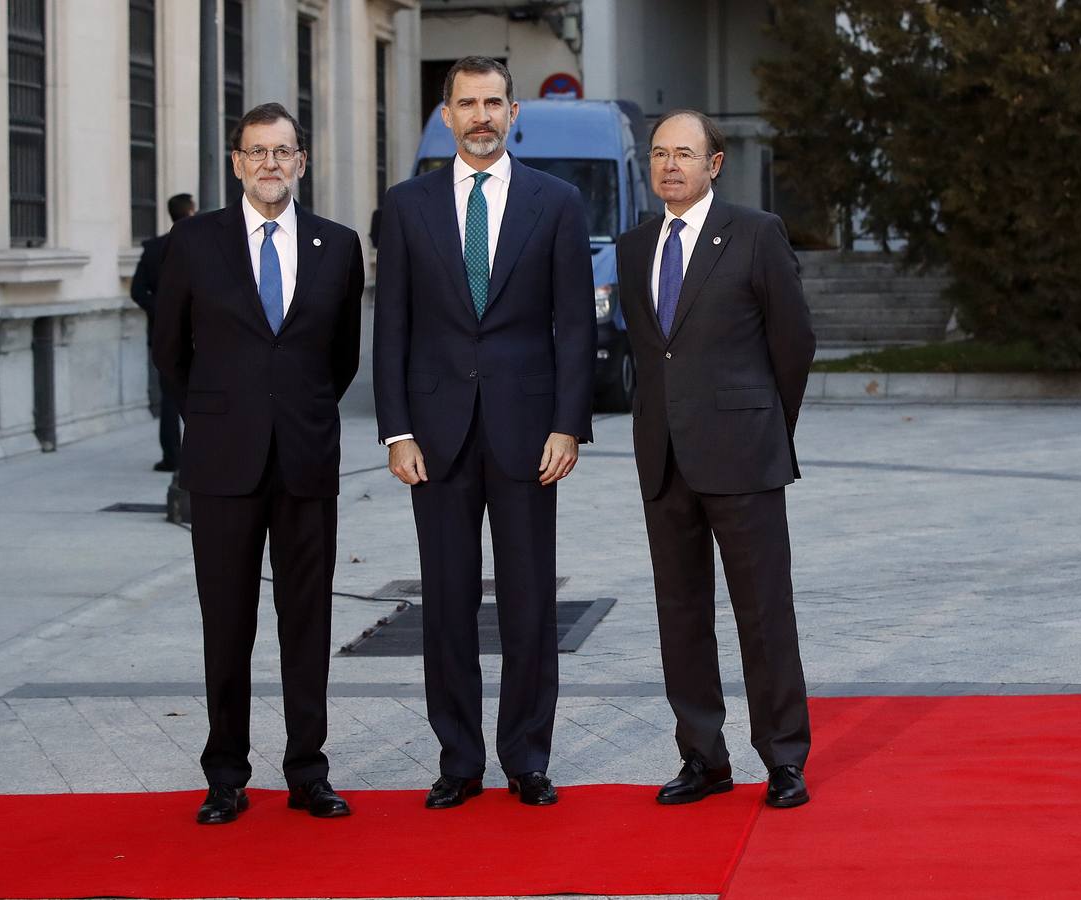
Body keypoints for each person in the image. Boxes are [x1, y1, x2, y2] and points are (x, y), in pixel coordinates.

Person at [372, 57, 595, 809]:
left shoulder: (556, 202)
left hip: (531, 433)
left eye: (494, 102)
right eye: (467, 103)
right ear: (445, 115)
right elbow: (391, 325)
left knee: (530, 602)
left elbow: (573, 326)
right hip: (435, 436)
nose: (481, 116)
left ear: (515, 111)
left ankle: (527, 756)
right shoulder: (405, 207)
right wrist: (396, 431)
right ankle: (459, 760)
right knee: (446, 600)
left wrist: (569, 423)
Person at [152, 102, 364, 824]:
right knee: (228, 623)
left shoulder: (336, 247)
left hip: (305, 459)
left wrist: (292, 412)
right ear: (237, 163)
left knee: (306, 621)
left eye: (284, 151)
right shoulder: (193, 242)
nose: (270, 163)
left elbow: (341, 357)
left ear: (302, 162)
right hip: (223, 463)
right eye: (256, 152)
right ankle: (225, 774)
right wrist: (217, 418)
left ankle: (308, 770)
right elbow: (170, 352)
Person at [616, 109, 816, 809]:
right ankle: (703, 757)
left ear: (716, 163)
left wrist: (764, 423)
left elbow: (794, 343)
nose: (670, 165)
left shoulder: (756, 234)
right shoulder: (633, 246)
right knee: (681, 614)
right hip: (664, 459)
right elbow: (652, 354)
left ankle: (784, 757)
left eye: (685, 154)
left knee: (763, 613)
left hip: (744, 457)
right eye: (660, 154)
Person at [130, 192, 195, 472]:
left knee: (169, 397)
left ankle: (173, 457)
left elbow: (137, 291)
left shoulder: (154, 247)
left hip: (164, 334)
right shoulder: (202, 244)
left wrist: (161, 310)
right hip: (198, 334)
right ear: (190, 212)